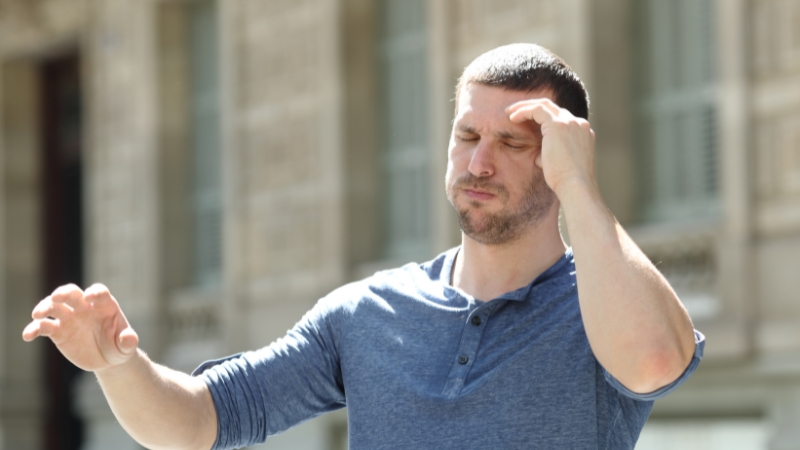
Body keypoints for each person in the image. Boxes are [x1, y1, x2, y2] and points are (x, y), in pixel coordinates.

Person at [23, 43, 703, 450]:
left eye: (514, 143)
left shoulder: (601, 307)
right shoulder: (367, 313)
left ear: (558, 156)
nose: (479, 163)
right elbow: (200, 420)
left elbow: (652, 360)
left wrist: (579, 187)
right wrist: (116, 363)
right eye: (467, 136)